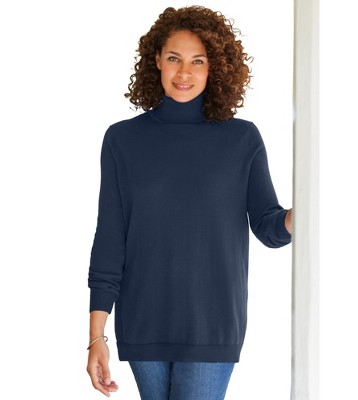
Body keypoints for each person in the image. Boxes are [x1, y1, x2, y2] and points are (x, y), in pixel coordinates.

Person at [86, 5, 292, 400]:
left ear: (215, 67)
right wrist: (97, 336)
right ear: (156, 61)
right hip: (142, 320)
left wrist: (307, 214)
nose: (184, 72)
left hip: (211, 324)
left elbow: (269, 226)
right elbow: (110, 239)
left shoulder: (242, 139)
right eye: (174, 59)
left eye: (198, 61)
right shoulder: (122, 140)